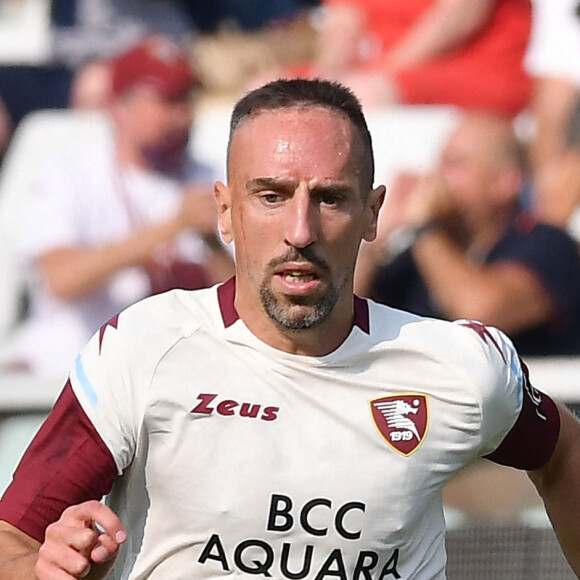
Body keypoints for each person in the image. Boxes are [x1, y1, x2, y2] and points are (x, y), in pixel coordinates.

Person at [0, 78, 579, 579]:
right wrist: (46, 570)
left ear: (373, 212)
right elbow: (12, 542)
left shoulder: (458, 367)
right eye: (271, 196)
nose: (300, 230)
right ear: (225, 210)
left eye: (329, 198)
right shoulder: (144, 347)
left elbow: (563, 451)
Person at [0, 35, 234, 378]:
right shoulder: (68, 172)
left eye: (187, 98)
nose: (182, 115)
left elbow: (243, 307)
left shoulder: (212, 175)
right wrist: (171, 228)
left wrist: (211, 244)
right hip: (69, 365)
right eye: (167, 100)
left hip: (182, 372)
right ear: (118, 106)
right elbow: (61, 280)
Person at [356, 111, 580, 357]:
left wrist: (423, 227)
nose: (438, 176)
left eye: (456, 163)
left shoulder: (548, 244)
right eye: (439, 162)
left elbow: (481, 313)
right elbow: (347, 316)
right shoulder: (419, 253)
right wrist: (375, 236)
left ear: (504, 183)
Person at [283, 0, 532, 115]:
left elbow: (462, 14)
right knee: (273, 88)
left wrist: (385, 69)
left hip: (479, 66)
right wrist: (327, 72)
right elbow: (345, 17)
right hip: (381, 67)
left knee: (358, 95)